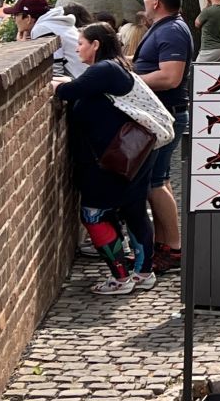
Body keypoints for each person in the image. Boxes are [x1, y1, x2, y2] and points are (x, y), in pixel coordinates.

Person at [54, 23, 156, 295]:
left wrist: (58, 85)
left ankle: (120, 278)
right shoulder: (117, 67)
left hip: (108, 160)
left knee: (93, 214)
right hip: (131, 155)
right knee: (134, 211)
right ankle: (143, 273)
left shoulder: (104, 69)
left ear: (96, 44)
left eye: (81, 43)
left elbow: (66, 92)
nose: (77, 48)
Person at [131, 0, 192, 275]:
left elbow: (170, 77)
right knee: (159, 181)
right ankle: (165, 246)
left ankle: (174, 248)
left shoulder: (172, 31)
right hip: (163, 114)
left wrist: (129, 81)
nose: (144, 0)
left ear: (156, 1)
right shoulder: (166, 28)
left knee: (155, 183)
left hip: (166, 115)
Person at [9, 0, 82, 78]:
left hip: (80, 80)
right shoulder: (53, 23)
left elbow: (55, 71)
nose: (15, 20)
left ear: (28, 18)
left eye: (15, 15)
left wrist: (23, 49)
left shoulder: (42, 28)